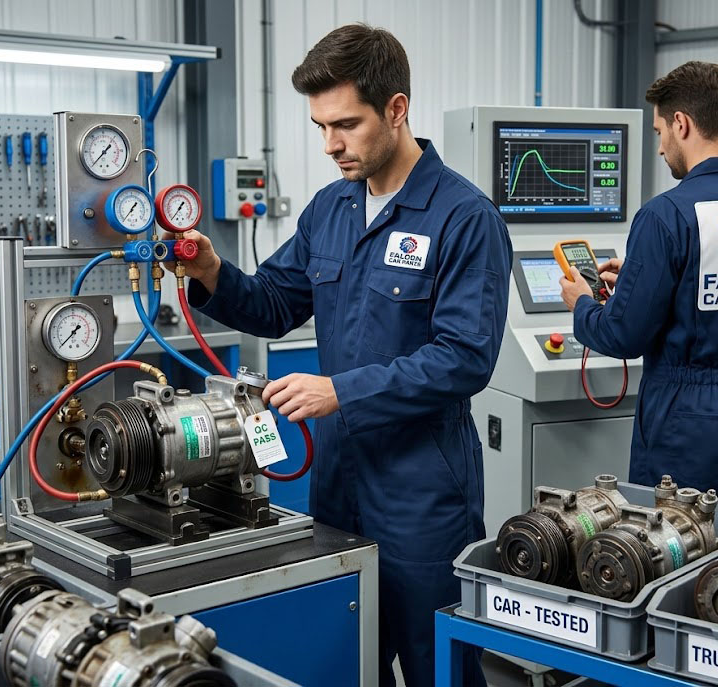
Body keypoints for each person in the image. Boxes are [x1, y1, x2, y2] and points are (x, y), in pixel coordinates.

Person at [167, 24, 511, 687]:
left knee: (437, 664)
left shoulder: (464, 218)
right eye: (321, 126)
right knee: (347, 658)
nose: (330, 144)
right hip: (336, 483)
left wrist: (340, 391)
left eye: (346, 124)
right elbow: (273, 303)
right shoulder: (330, 209)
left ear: (397, 109)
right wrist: (211, 271)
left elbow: (465, 357)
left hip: (422, 491)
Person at [559, 61, 718, 507]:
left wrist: (582, 304)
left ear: (682, 123)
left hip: (688, 418)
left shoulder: (665, 215)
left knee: (672, 537)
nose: (660, 148)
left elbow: (622, 335)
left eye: (660, 132)